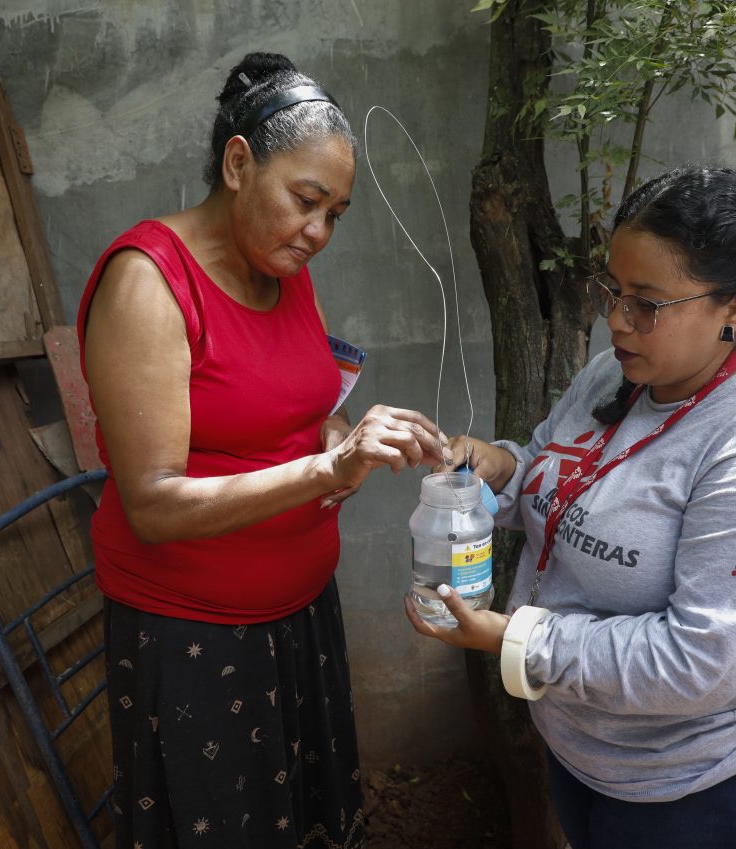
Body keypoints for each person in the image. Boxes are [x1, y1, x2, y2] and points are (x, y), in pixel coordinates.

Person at [407, 167, 736, 849]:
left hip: (710, 782)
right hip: (591, 753)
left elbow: (702, 660)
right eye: (612, 291)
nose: (616, 319)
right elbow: (558, 478)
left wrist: (514, 637)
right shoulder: (619, 372)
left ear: (734, 306)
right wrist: (496, 467)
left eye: (646, 302)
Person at [77, 52, 445, 849]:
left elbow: (296, 406)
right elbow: (152, 504)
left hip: (300, 612)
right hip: (195, 632)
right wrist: (327, 469)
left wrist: (341, 437)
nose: (318, 232)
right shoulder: (149, 283)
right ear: (238, 162)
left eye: (336, 214)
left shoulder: (284, 269)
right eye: (306, 201)